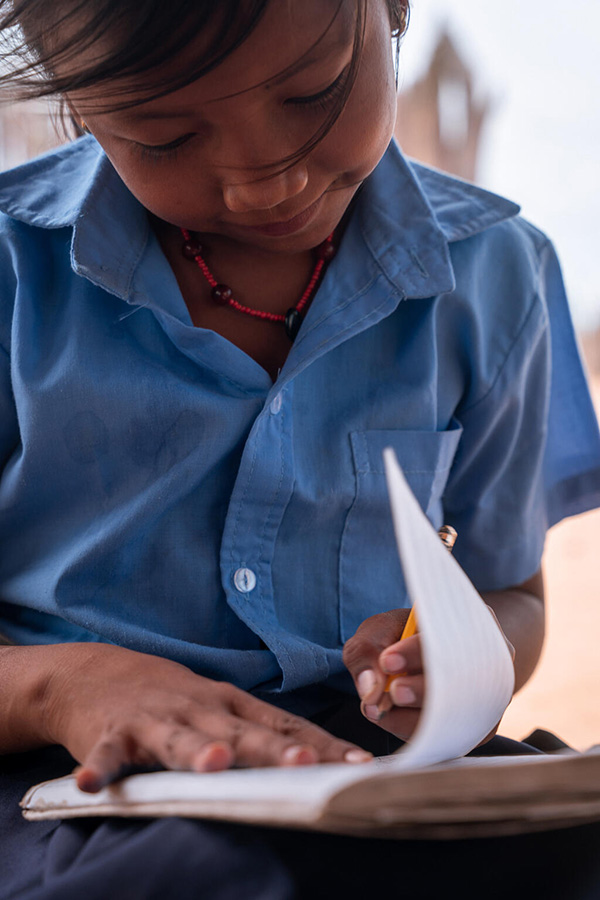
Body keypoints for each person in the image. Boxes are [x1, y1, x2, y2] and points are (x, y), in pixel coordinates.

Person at [0, 0, 599, 897]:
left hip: (364, 776)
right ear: (86, 111)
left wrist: (456, 658)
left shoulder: (497, 277)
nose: (261, 182)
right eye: (164, 137)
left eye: (314, 92)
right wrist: (66, 686)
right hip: (69, 784)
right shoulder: (16, 276)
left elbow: (509, 591)